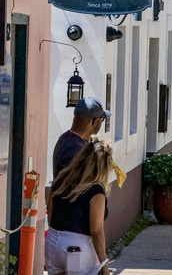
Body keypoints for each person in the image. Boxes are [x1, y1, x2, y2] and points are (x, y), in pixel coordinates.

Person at [46, 138, 113, 275]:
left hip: (53, 242)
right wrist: (104, 265)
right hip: (77, 248)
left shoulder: (61, 179)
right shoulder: (96, 191)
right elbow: (96, 231)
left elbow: (50, 211)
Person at [52, 97, 110, 179]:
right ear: (95, 122)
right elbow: (73, 186)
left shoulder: (67, 138)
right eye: (102, 119)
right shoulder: (75, 149)